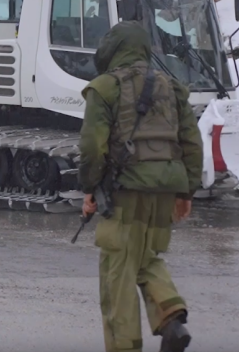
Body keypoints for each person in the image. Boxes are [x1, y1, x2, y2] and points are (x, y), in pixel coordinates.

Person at [78, 19, 204, 352]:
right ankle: (170, 316)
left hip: (126, 189)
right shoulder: (173, 87)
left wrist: (89, 188)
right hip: (166, 187)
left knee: (116, 272)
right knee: (146, 257)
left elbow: (92, 146)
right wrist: (186, 192)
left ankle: (125, 346)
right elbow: (192, 141)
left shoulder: (104, 87)